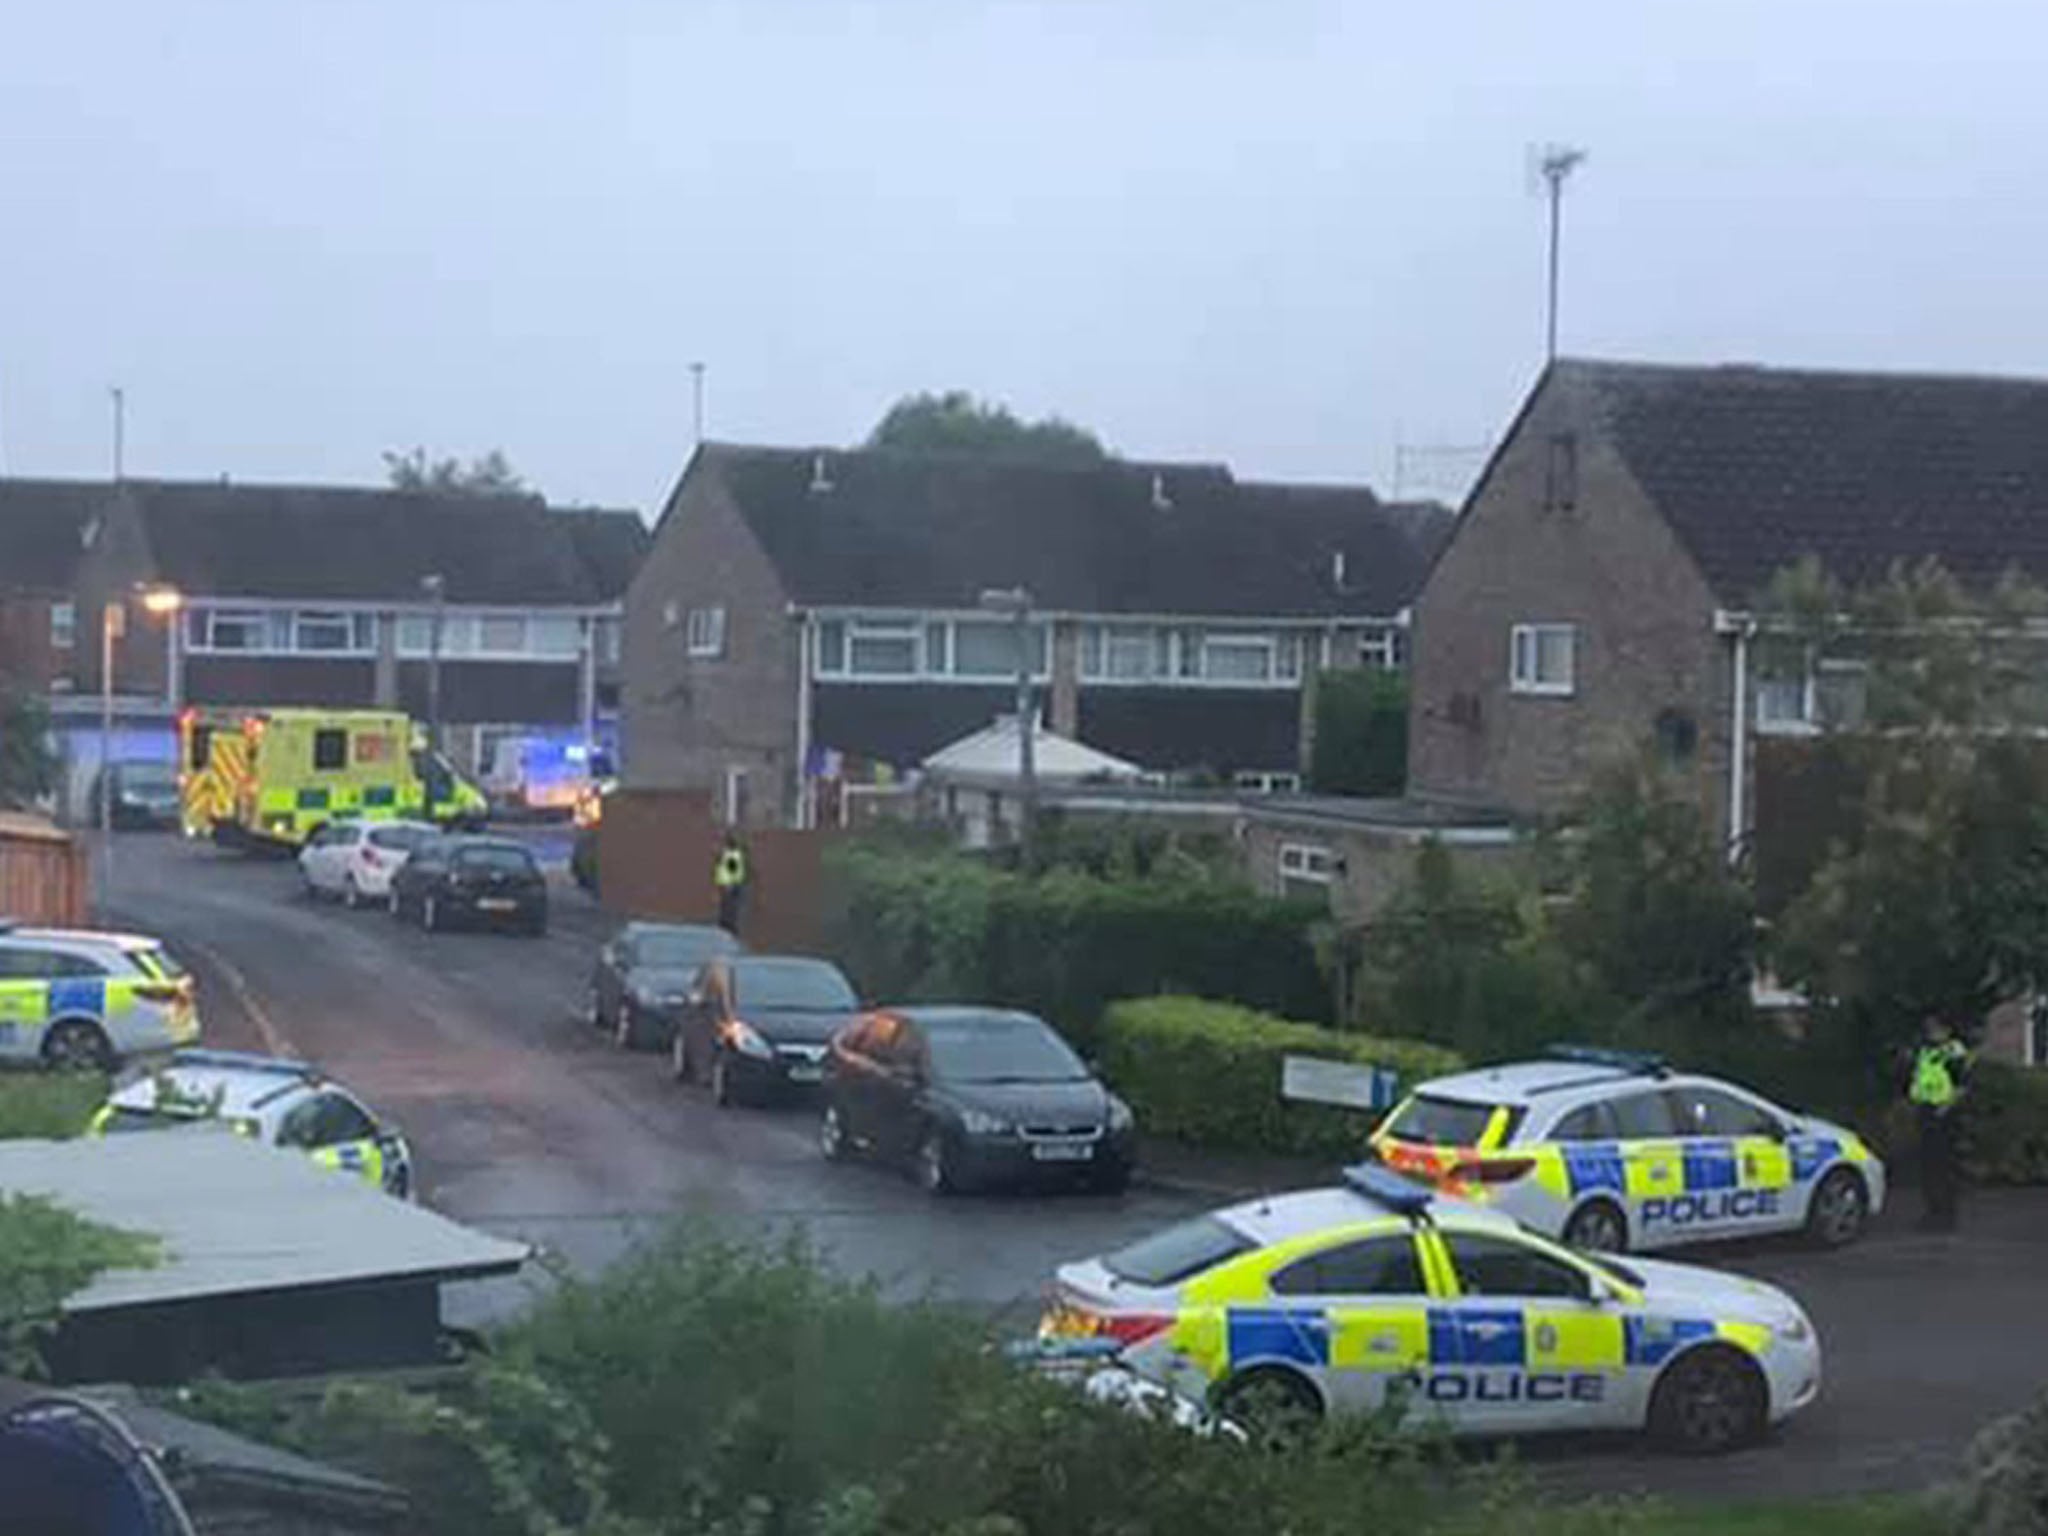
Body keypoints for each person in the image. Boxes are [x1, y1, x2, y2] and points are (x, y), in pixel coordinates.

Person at [1909, 1013, 1971, 1232]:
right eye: (1929, 1028)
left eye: (1935, 1028)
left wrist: (1945, 1108)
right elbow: (1919, 1078)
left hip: (1945, 1116)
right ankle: (1931, 1212)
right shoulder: (1926, 1051)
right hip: (1925, 1111)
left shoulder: (1953, 1052)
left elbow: (1963, 1086)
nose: (1931, 1032)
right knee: (1928, 1167)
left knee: (1944, 1166)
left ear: (1947, 1030)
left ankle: (1946, 1216)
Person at [713, 832, 749, 936]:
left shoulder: (731, 856)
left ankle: (728, 927)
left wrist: (729, 887)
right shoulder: (732, 855)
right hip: (731, 886)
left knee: (729, 909)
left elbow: (732, 872)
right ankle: (727, 926)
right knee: (729, 908)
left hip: (731, 887)